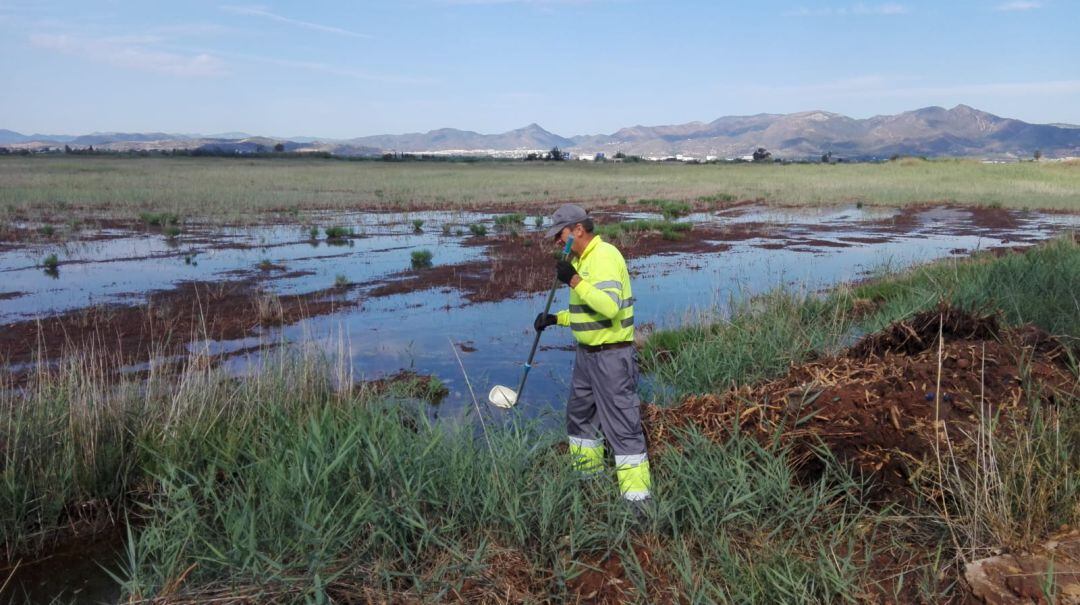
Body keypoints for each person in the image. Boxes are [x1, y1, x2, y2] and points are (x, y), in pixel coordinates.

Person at [534, 204, 652, 512]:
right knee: (580, 419)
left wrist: (574, 281)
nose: (557, 243)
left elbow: (609, 307)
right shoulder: (582, 260)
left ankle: (637, 504)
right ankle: (588, 484)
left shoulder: (604, 256)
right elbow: (588, 314)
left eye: (559, 236)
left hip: (611, 358)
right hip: (587, 357)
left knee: (623, 427)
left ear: (577, 231)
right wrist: (555, 319)